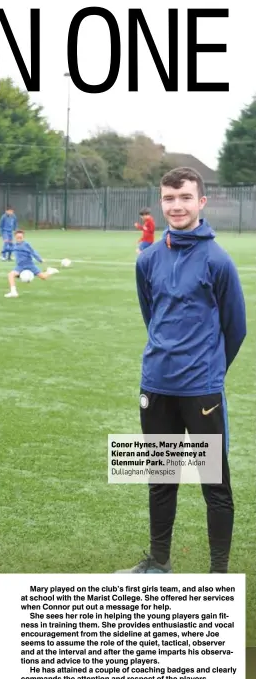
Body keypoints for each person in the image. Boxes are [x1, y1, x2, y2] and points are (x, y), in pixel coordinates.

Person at [117, 167, 246, 574]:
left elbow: (235, 327)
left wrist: (208, 373)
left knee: (214, 484)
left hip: (201, 392)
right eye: (169, 199)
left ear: (201, 202)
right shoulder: (149, 259)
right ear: (162, 202)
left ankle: (218, 574)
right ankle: (158, 562)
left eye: (185, 198)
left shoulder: (217, 261)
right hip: (156, 386)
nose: (177, 206)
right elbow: (150, 314)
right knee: (161, 477)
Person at [4, 229, 58, 297]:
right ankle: (13, 292)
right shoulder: (14, 245)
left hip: (30, 265)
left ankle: (50, 271)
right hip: (20, 266)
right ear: (15, 237)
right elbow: (9, 249)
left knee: (43, 277)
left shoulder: (26, 244)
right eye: (18, 238)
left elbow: (33, 252)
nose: (19, 239)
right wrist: (3, 251)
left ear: (23, 238)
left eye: (21, 238)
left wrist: (39, 259)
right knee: (10, 275)